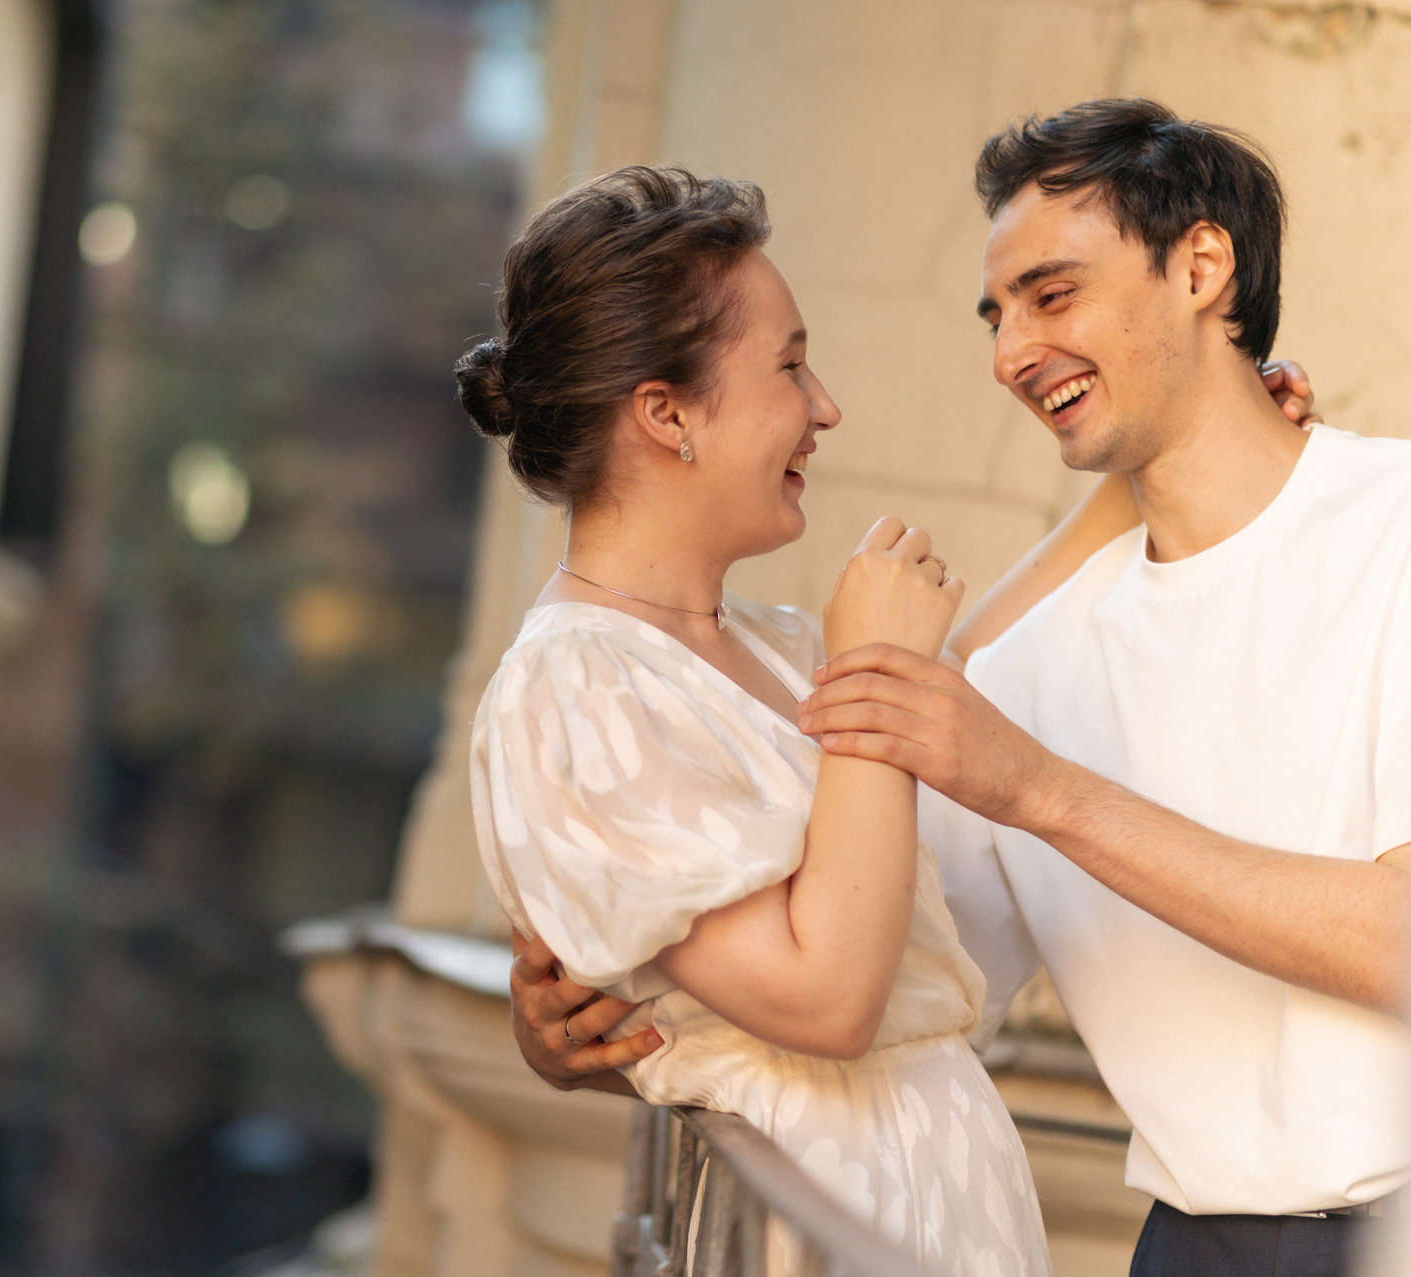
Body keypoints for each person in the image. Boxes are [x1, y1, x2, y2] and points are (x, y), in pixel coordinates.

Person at [516, 100, 1404, 1277]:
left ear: (1202, 266)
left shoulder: (1394, 530)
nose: (1011, 355)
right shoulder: (1024, 674)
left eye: (1052, 294)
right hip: (1194, 1246)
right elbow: (885, 989)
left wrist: (1043, 789)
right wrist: (605, 1013)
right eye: (996, 316)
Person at [458, 163, 1074, 1276]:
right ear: (667, 413)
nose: (824, 406)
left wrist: (1176, 454)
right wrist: (881, 660)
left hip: (937, 1197)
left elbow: (969, 680)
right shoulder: (573, 692)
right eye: (790, 365)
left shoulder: (773, 644)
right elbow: (826, 998)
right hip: (817, 1225)